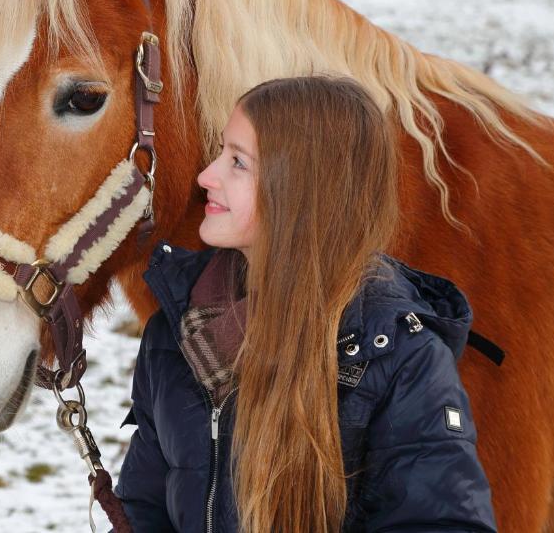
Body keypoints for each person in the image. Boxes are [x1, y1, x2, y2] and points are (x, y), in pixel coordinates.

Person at [114, 76, 497, 533]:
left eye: (237, 162)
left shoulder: (397, 357)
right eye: (222, 152)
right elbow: (143, 510)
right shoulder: (176, 335)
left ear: (301, 188)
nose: (206, 177)